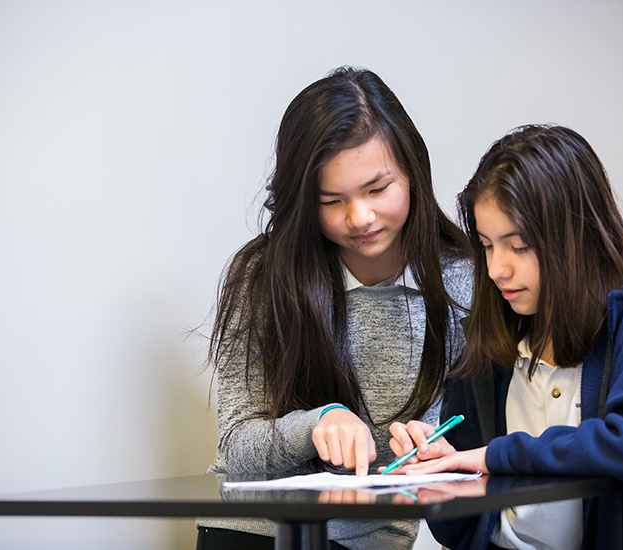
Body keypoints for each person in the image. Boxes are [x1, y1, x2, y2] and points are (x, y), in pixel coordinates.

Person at [196, 67, 474, 550]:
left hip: (368, 541)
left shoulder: (467, 285)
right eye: (331, 200)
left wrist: (441, 454)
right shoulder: (264, 274)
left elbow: (487, 448)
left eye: (377, 189)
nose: (359, 218)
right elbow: (236, 449)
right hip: (250, 532)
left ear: (413, 171)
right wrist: (318, 422)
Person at [386, 124, 623, 550]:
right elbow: (456, 516)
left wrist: (495, 456)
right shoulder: (496, 326)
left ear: (576, 237)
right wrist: (438, 460)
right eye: (487, 245)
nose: (496, 269)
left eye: (517, 246)